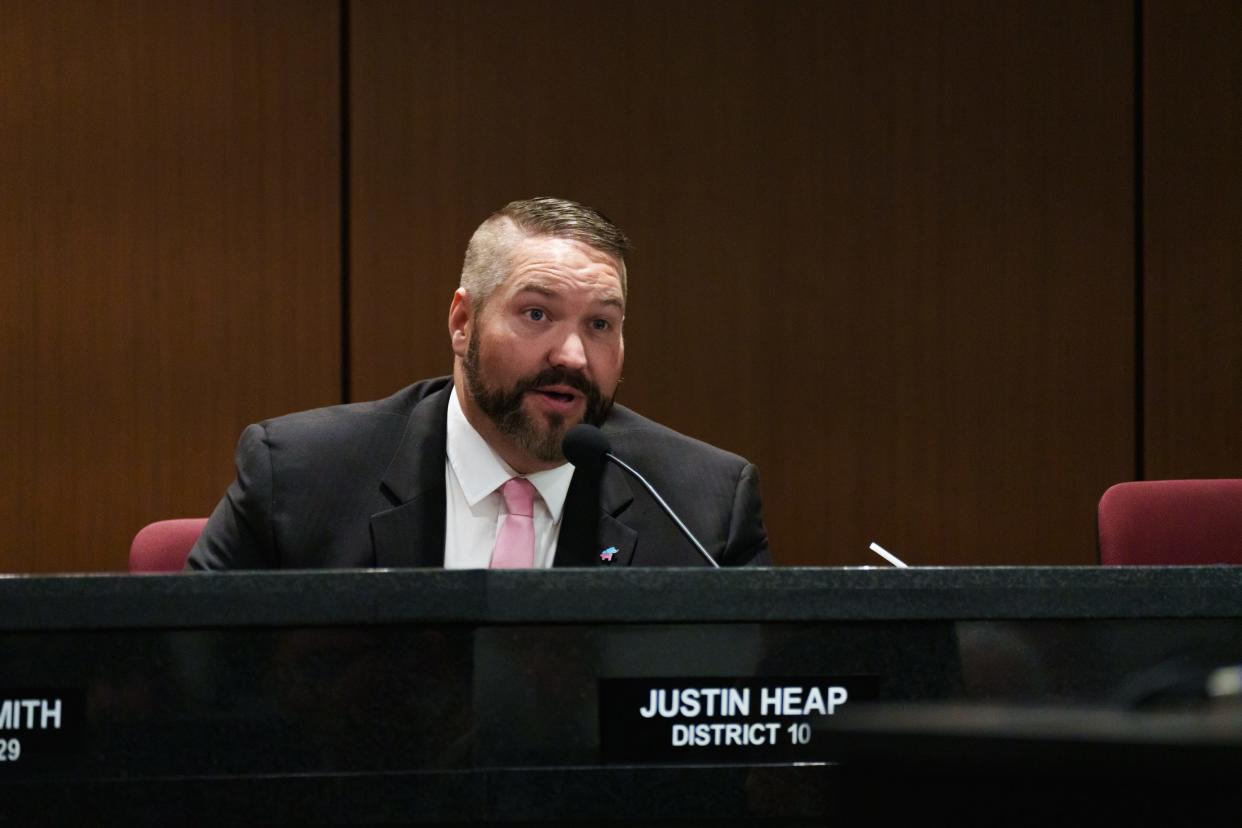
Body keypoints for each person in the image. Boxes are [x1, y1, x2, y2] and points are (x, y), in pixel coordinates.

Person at [187, 197, 770, 570]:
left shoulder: (700, 509)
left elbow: (755, 724)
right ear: (463, 323)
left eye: (599, 324)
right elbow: (183, 684)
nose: (572, 355)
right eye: (537, 314)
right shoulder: (301, 477)